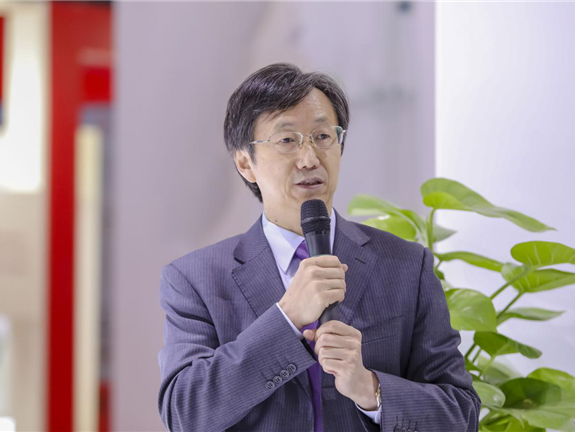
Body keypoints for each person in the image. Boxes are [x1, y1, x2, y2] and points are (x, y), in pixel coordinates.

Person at [158, 63, 480, 432]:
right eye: (287, 140)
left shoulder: (407, 265)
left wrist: (370, 389)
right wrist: (286, 318)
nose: (310, 158)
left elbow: (461, 416)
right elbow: (185, 413)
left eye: (323, 136)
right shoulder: (195, 279)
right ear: (245, 162)